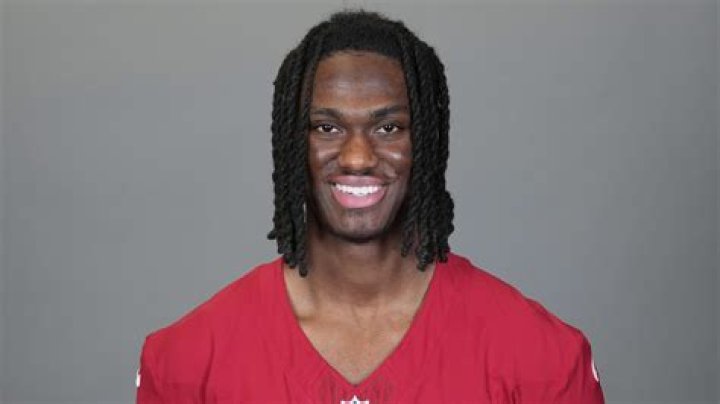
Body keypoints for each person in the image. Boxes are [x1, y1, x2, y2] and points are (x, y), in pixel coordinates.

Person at [136, 10, 605, 403]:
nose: (357, 157)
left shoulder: (541, 359)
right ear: (291, 144)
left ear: (426, 143)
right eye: (327, 128)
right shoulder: (187, 362)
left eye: (388, 128)